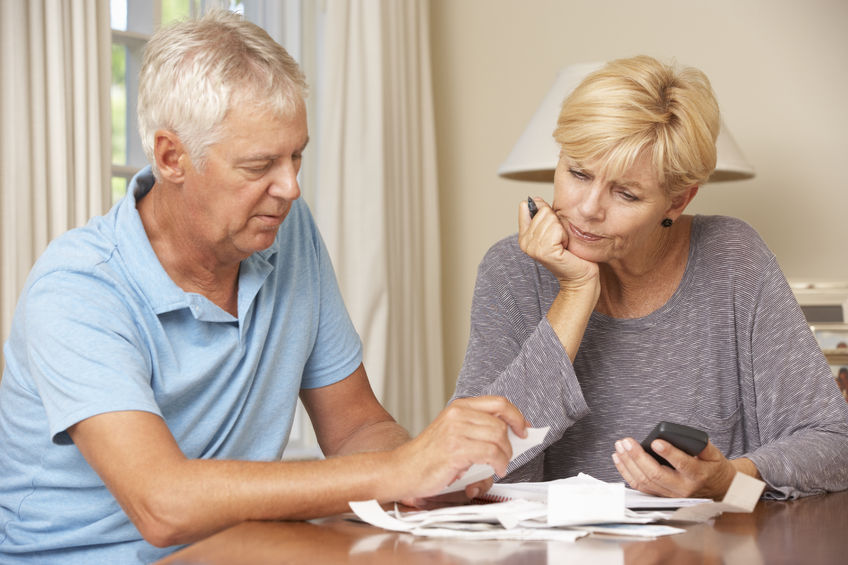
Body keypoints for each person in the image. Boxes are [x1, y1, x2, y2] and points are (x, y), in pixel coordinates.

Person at [0, 11, 527, 564]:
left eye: (296, 154)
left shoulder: (285, 231)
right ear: (171, 157)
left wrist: (428, 474)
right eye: (260, 165)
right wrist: (396, 469)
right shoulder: (79, 288)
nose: (291, 187)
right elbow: (162, 505)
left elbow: (356, 427)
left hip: (235, 550)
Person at [452, 55, 848, 501]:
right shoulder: (513, 269)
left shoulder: (733, 258)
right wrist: (577, 291)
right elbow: (472, 467)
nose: (587, 209)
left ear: (676, 202)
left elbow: (834, 443)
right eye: (578, 173)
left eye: (626, 193)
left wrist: (728, 481)